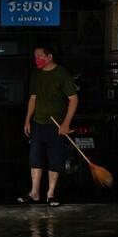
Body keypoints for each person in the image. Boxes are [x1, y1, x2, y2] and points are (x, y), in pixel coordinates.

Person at [19, 45, 78, 207]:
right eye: (35, 56)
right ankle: (34, 192)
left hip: (56, 125)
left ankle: (51, 193)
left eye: (40, 56)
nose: (36, 59)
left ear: (49, 57)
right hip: (38, 123)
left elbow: (73, 99)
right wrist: (27, 120)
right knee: (35, 158)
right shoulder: (36, 74)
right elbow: (33, 98)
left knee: (55, 159)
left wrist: (66, 122)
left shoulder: (61, 73)